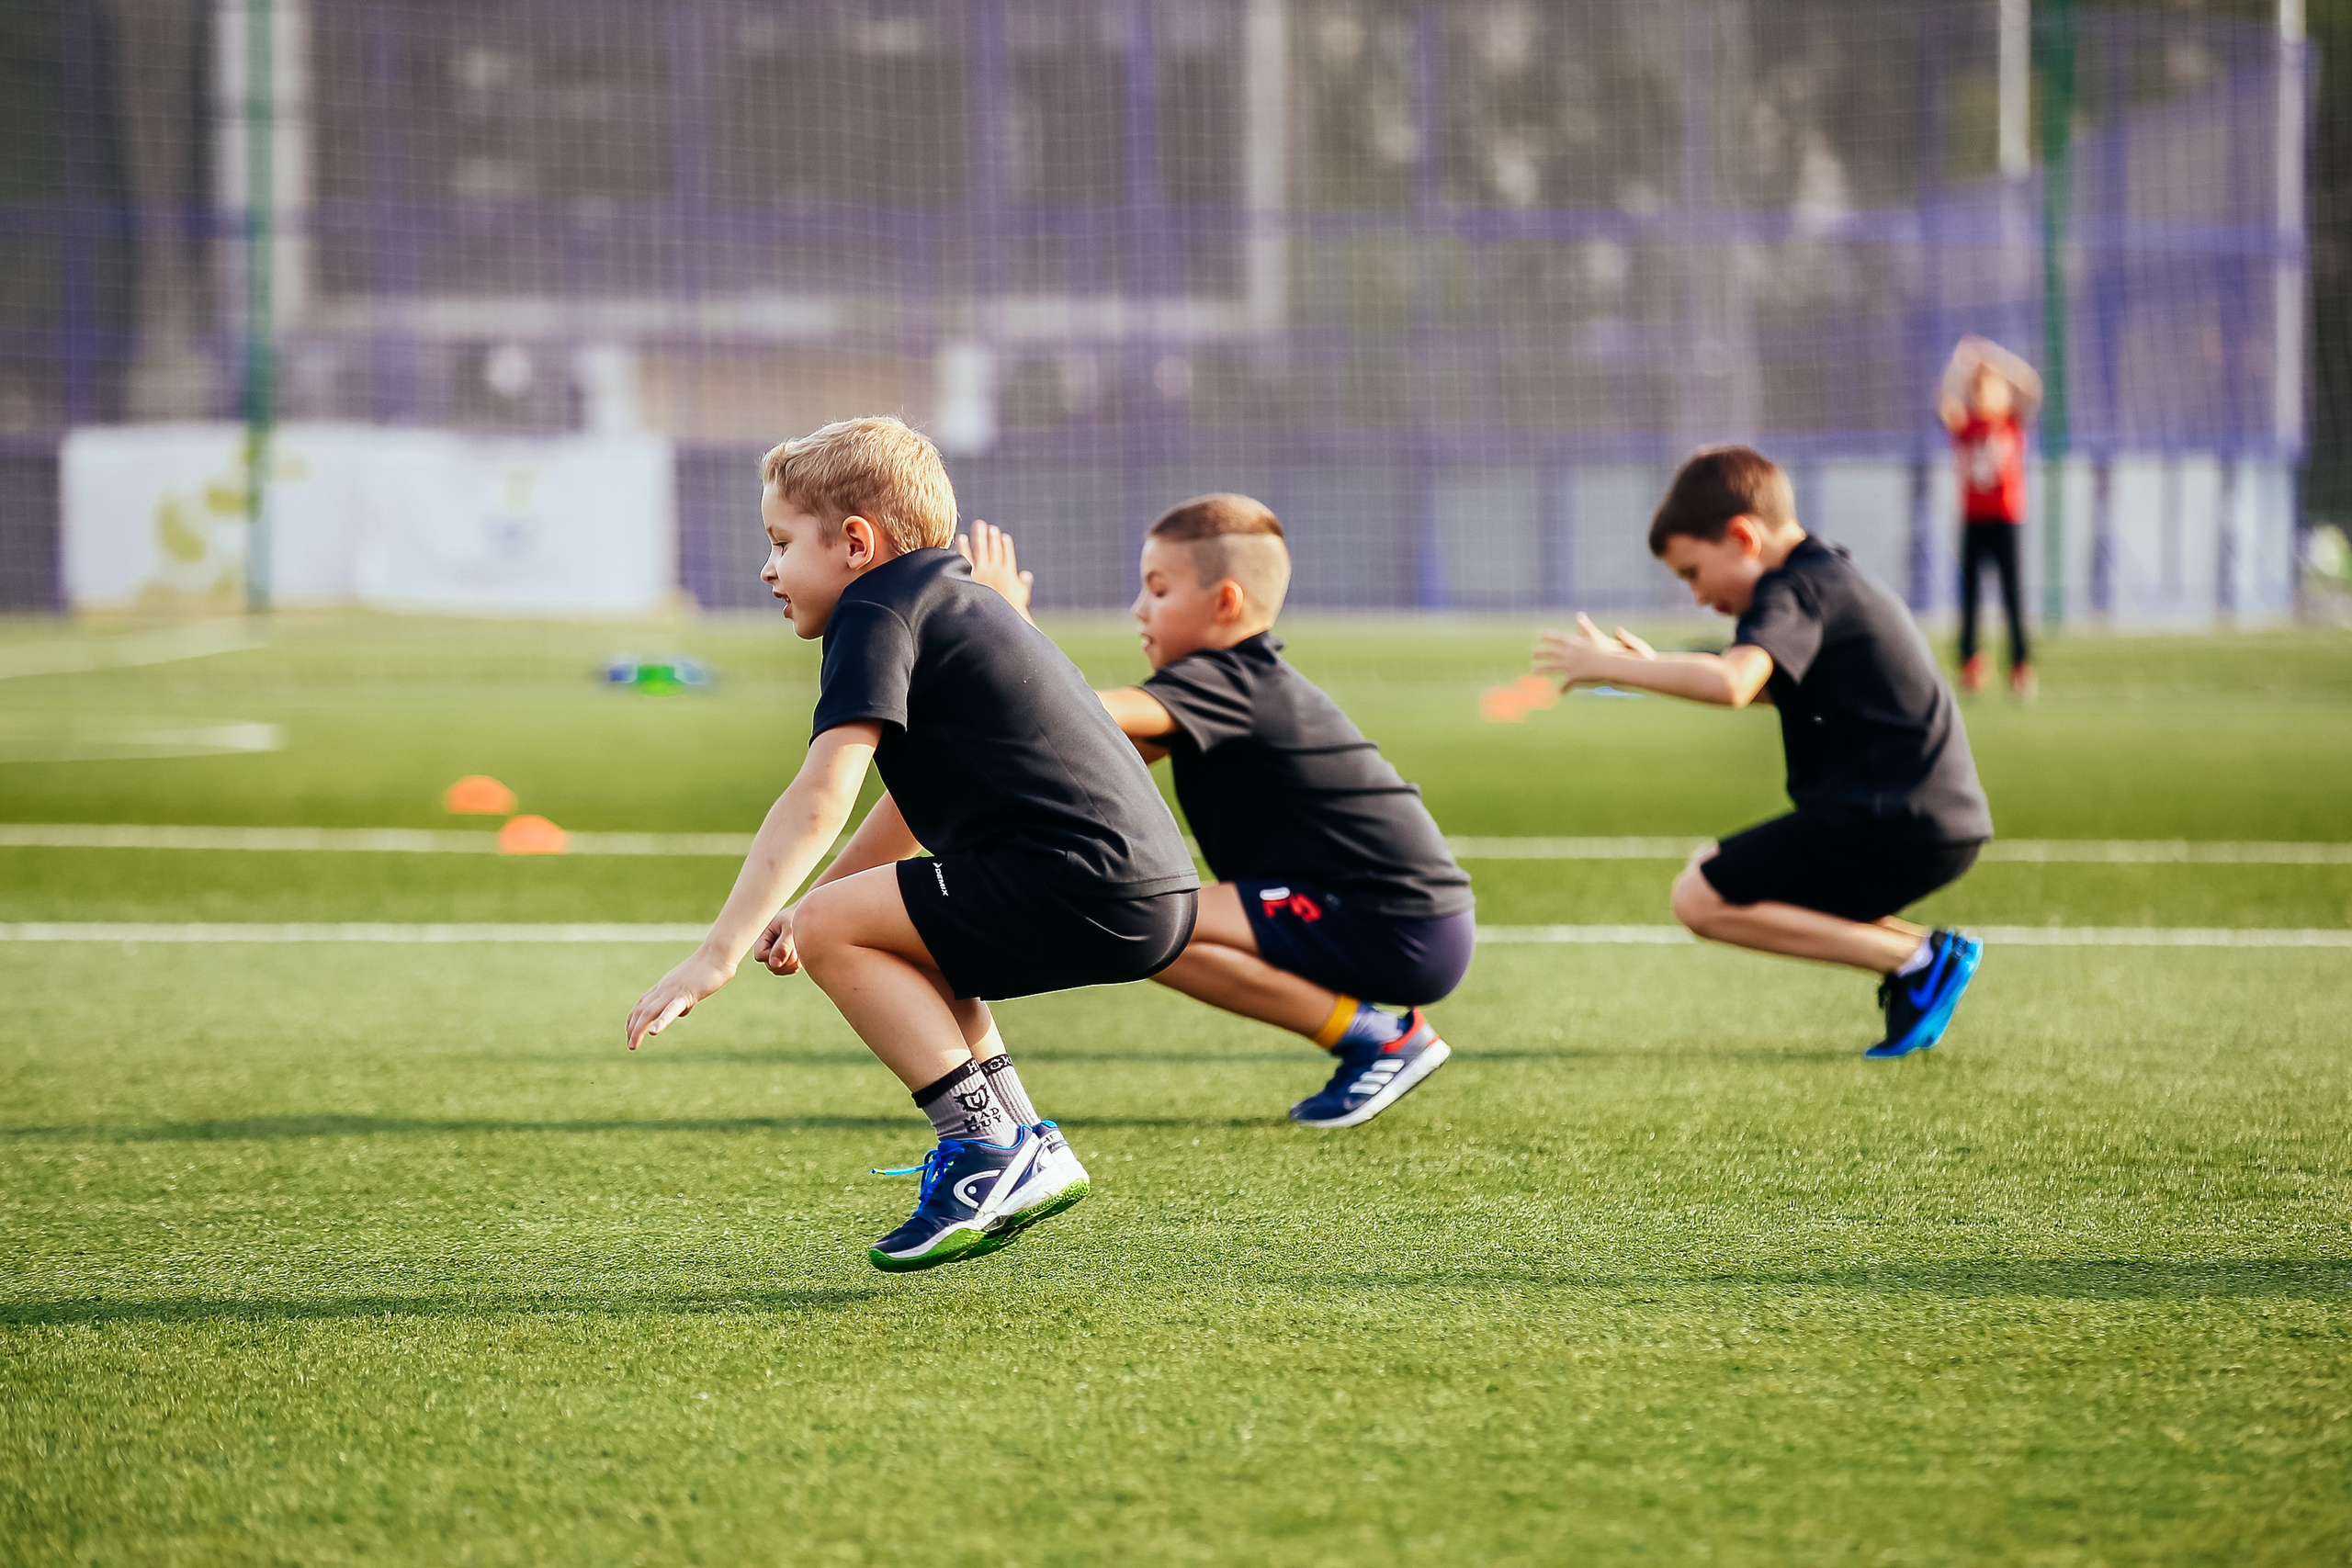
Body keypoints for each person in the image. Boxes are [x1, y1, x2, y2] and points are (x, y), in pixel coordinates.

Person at [625, 417, 1199, 1272]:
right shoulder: (949, 599)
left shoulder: (877, 608)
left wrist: (721, 952)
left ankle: (983, 1147)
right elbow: (916, 801)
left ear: (857, 542)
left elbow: (822, 794)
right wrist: (812, 907)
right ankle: (1020, 1141)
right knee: (888, 931)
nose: (768, 568)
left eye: (781, 542)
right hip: (1142, 888)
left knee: (836, 928)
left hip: (1086, 882)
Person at [958, 496, 1474, 1128]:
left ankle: (1379, 1038)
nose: (1137, 608)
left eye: (1158, 589)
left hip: (1400, 919)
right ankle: (1371, 1036)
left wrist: (1005, 625)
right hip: (1393, 916)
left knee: (1138, 917)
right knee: (1136, 921)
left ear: (1225, 603)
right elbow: (1076, 756)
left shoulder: (1232, 683)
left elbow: (1071, 716)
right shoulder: (1212, 690)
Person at [1532, 446, 1992, 1058]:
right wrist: (1654, 666)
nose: (1697, 595)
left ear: (1743, 536)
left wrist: (1616, 667)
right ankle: (1922, 960)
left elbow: (1733, 681)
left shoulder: (1793, 590)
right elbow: (1775, 685)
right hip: (1924, 819)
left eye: (1693, 572)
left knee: (1699, 896)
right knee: (1718, 870)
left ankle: (1917, 959)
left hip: (1897, 821)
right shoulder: (1824, 577)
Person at [1939, 335, 2043, 698]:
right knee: (1969, 596)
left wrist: (1996, 356)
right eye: (1979, 390)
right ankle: (1970, 663)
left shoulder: (2013, 423)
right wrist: (1961, 365)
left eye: (1992, 390)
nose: (1986, 397)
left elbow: (2031, 385)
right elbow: (1944, 403)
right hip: (1973, 519)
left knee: (2013, 595)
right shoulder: (1967, 427)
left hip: (2006, 519)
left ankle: (2020, 665)